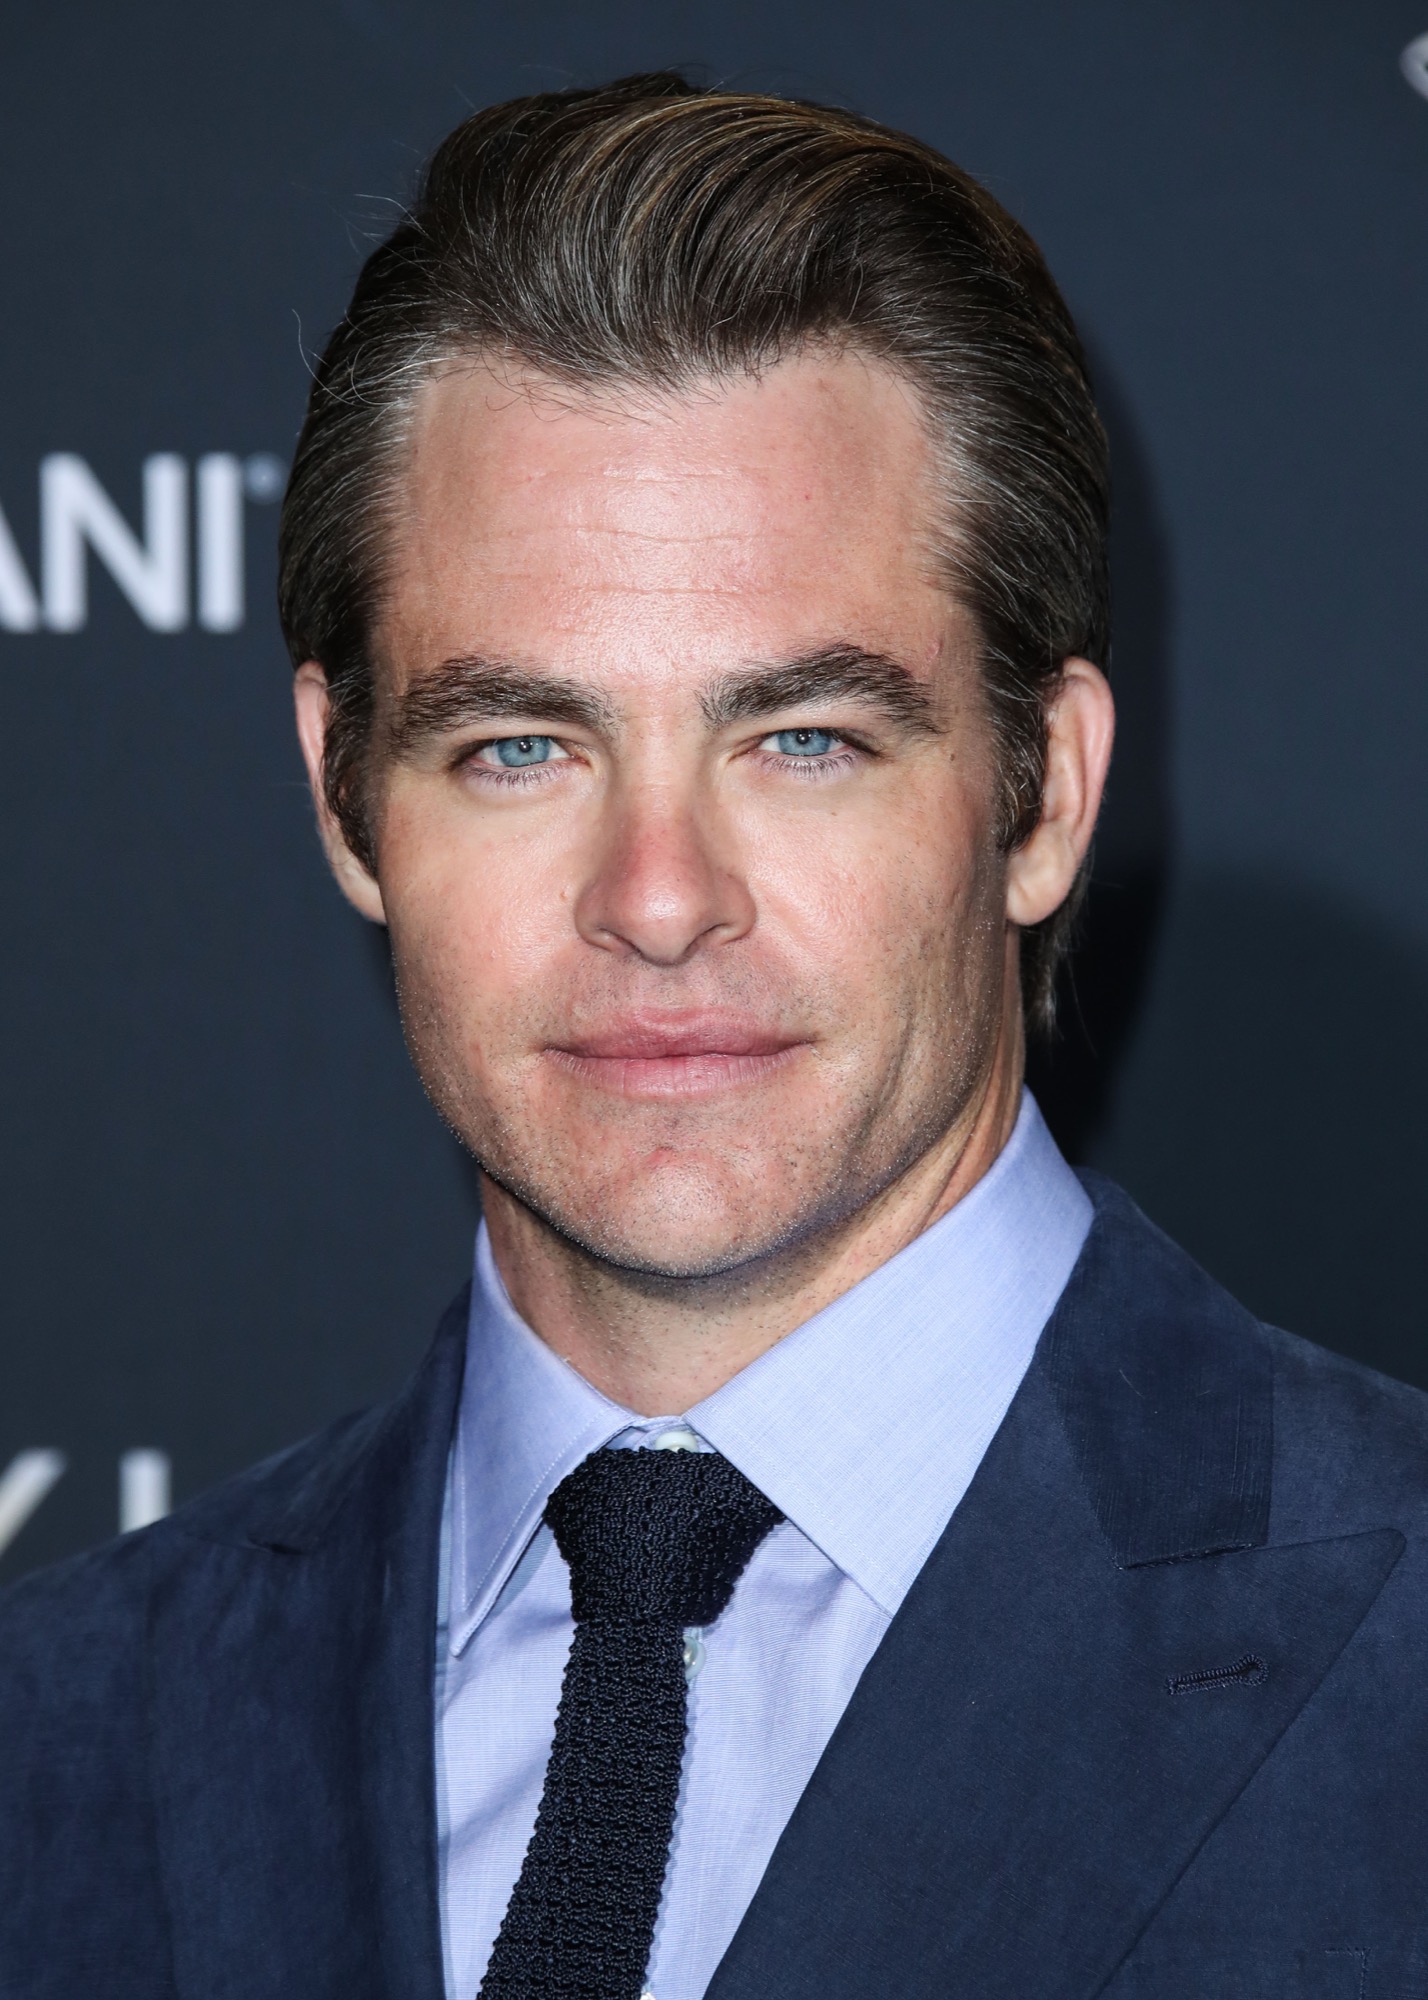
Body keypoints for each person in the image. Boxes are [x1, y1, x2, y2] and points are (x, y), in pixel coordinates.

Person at [3, 70, 1426, 2000]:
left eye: (804, 740)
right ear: (344, 795)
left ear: (1045, 797)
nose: (660, 897)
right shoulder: (57, 1736)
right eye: (522, 746)